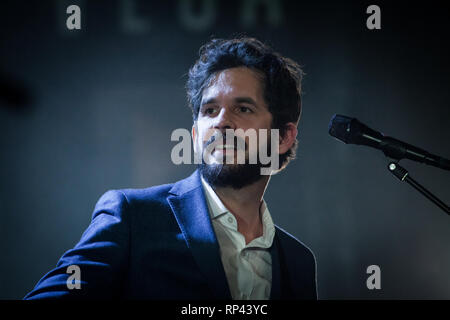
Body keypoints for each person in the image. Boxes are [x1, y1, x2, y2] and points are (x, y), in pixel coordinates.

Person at [24, 37, 317, 300]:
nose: (221, 122)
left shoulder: (299, 261)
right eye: (210, 110)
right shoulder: (132, 217)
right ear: (195, 134)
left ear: (282, 137)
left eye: (243, 108)